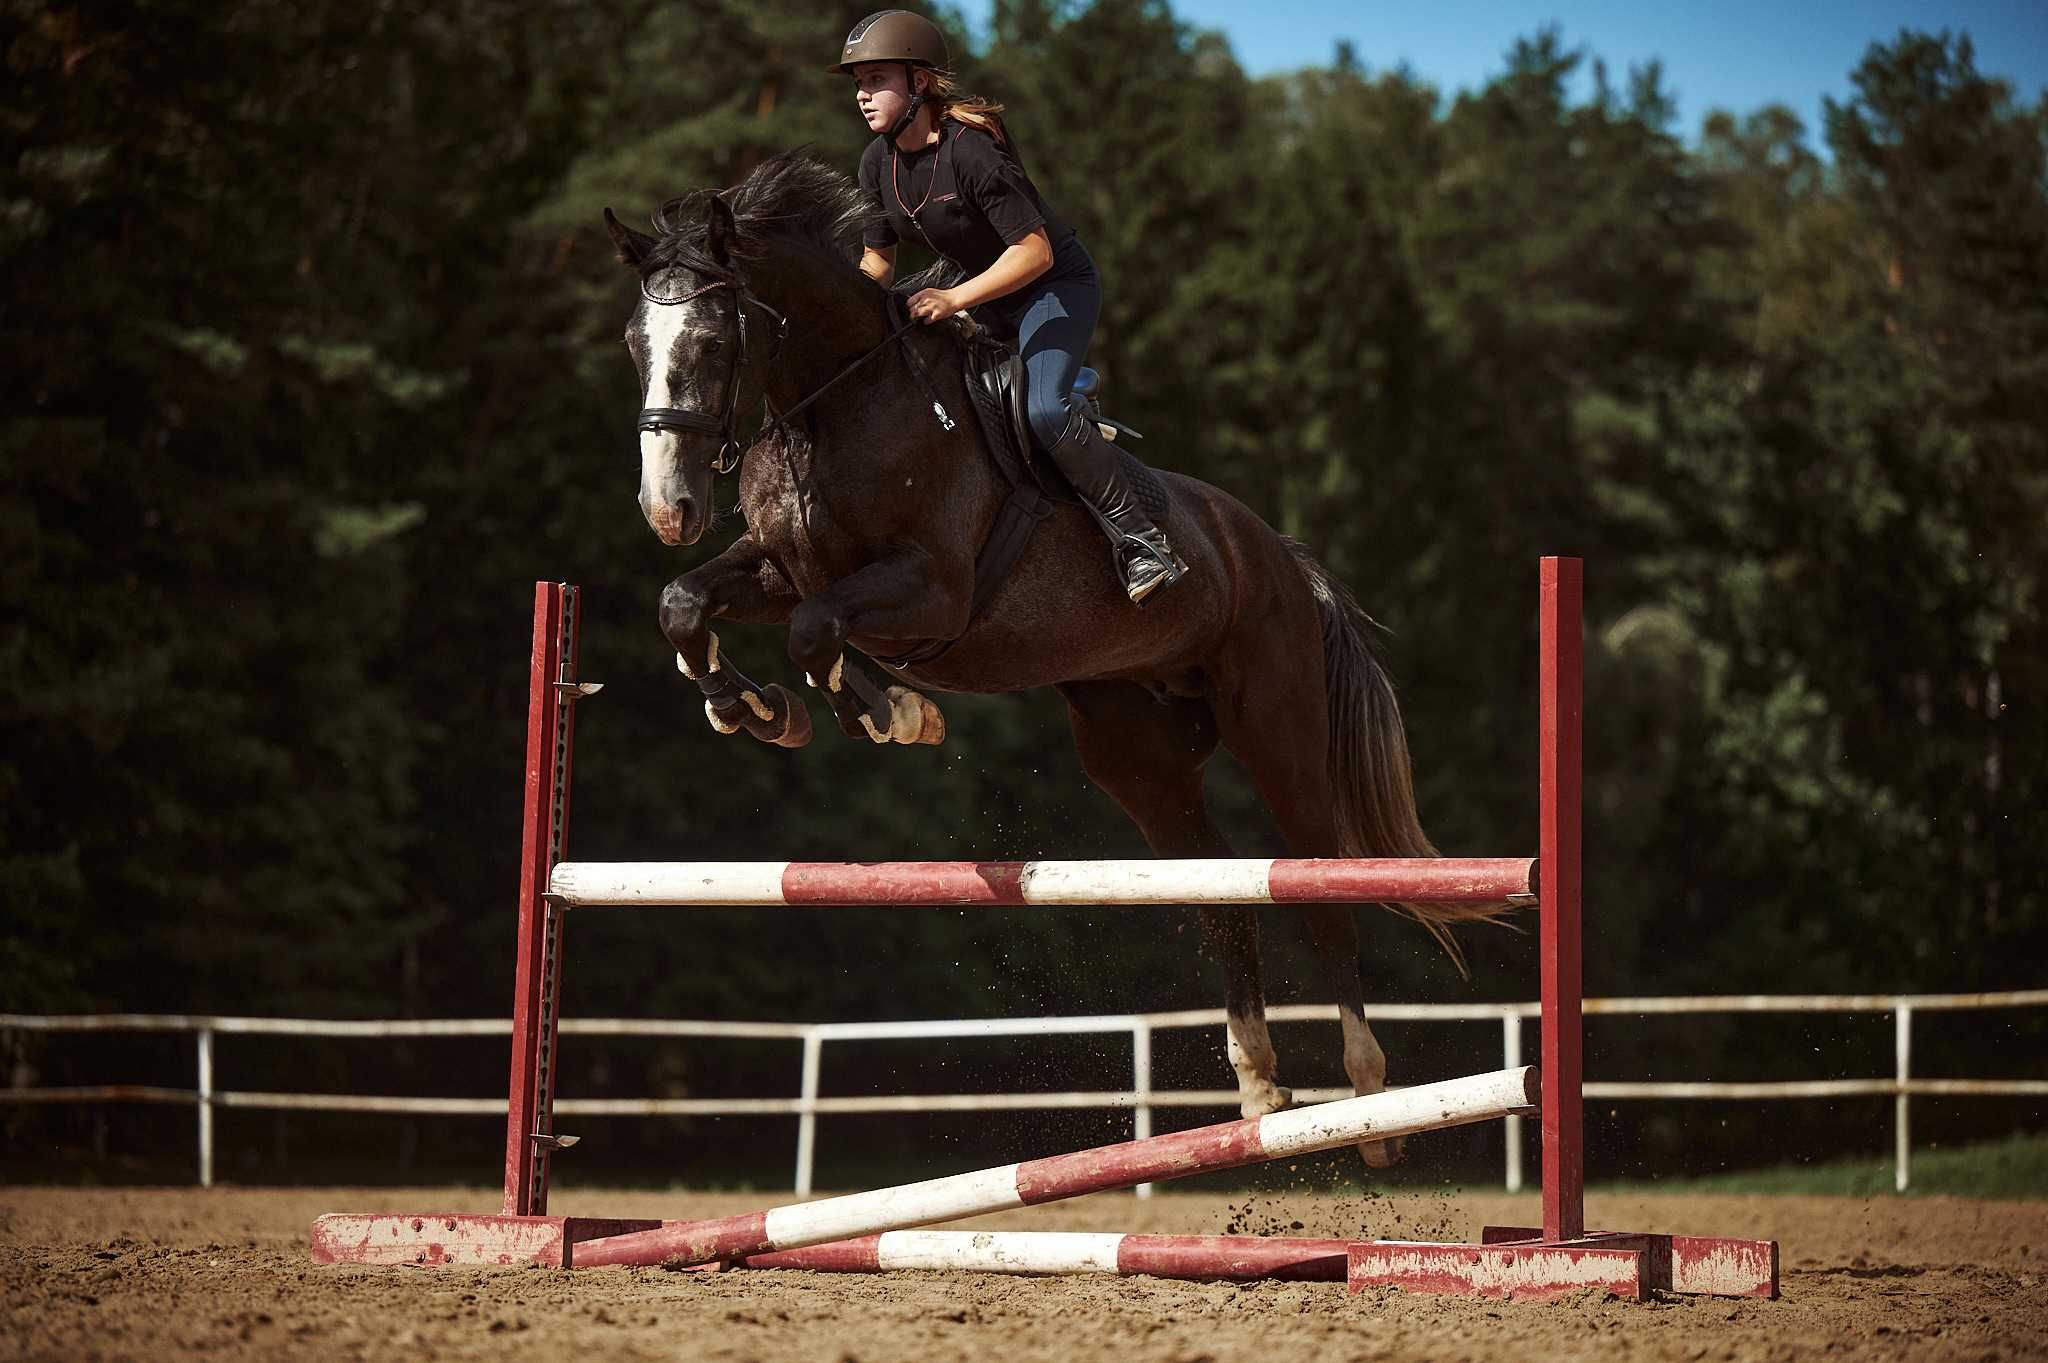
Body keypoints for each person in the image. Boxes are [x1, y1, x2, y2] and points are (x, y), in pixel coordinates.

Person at [831, 10, 1187, 605]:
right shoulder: (876, 164)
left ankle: (1141, 540)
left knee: (1043, 412)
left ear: (919, 83)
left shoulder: (972, 152)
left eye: (877, 80)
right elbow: (878, 262)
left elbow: (1035, 252)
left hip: (1051, 288)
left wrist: (952, 298)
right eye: (858, 84)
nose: (863, 96)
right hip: (981, 293)